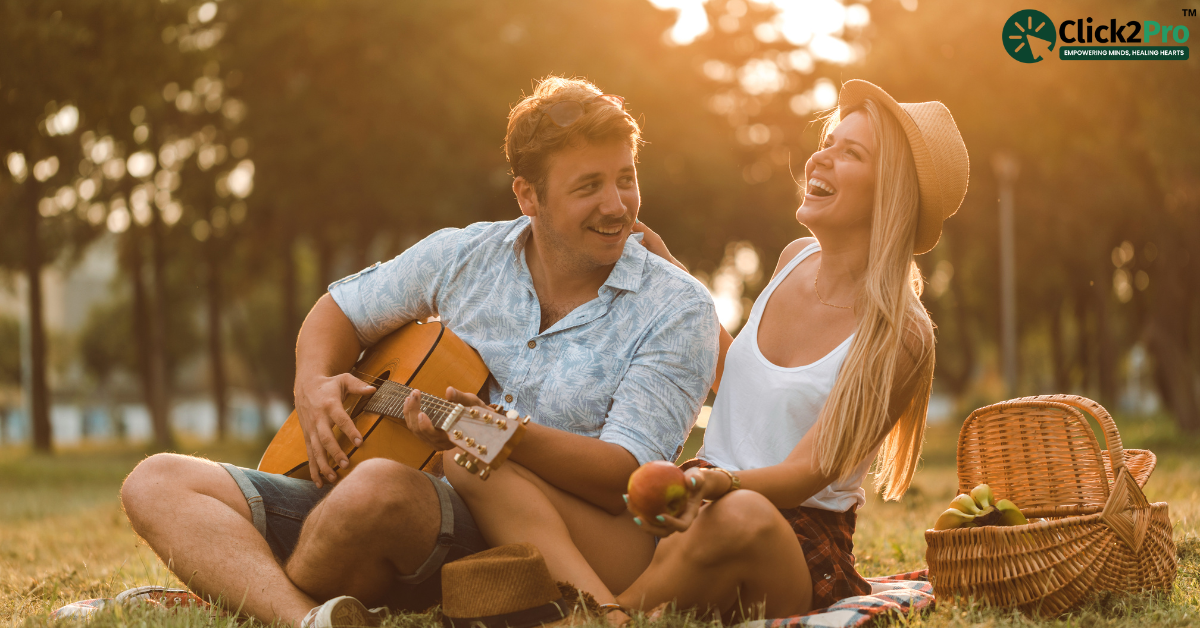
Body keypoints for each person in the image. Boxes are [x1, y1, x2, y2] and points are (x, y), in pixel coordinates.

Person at [118, 76, 719, 627]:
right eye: (589, 186)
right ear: (527, 196)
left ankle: (243, 586)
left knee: (377, 487)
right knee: (156, 479)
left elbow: (627, 474)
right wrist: (315, 383)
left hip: (530, 531)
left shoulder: (677, 308)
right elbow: (339, 311)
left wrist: (489, 433)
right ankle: (303, 619)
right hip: (390, 500)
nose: (617, 205)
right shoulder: (464, 256)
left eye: (626, 178)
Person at [448, 79, 968, 622]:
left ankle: (594, 616)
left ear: (892, 191)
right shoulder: (794, 260)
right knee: (473, 456)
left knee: (740, 513)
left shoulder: (902, 332)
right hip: (693, 511)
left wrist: (722, 483)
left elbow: (810, 471)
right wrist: (674, 274)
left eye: (851, 152)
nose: (822, 156)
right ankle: (603, 613)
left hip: (787, 541)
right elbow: (735, 376)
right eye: (829, 141)